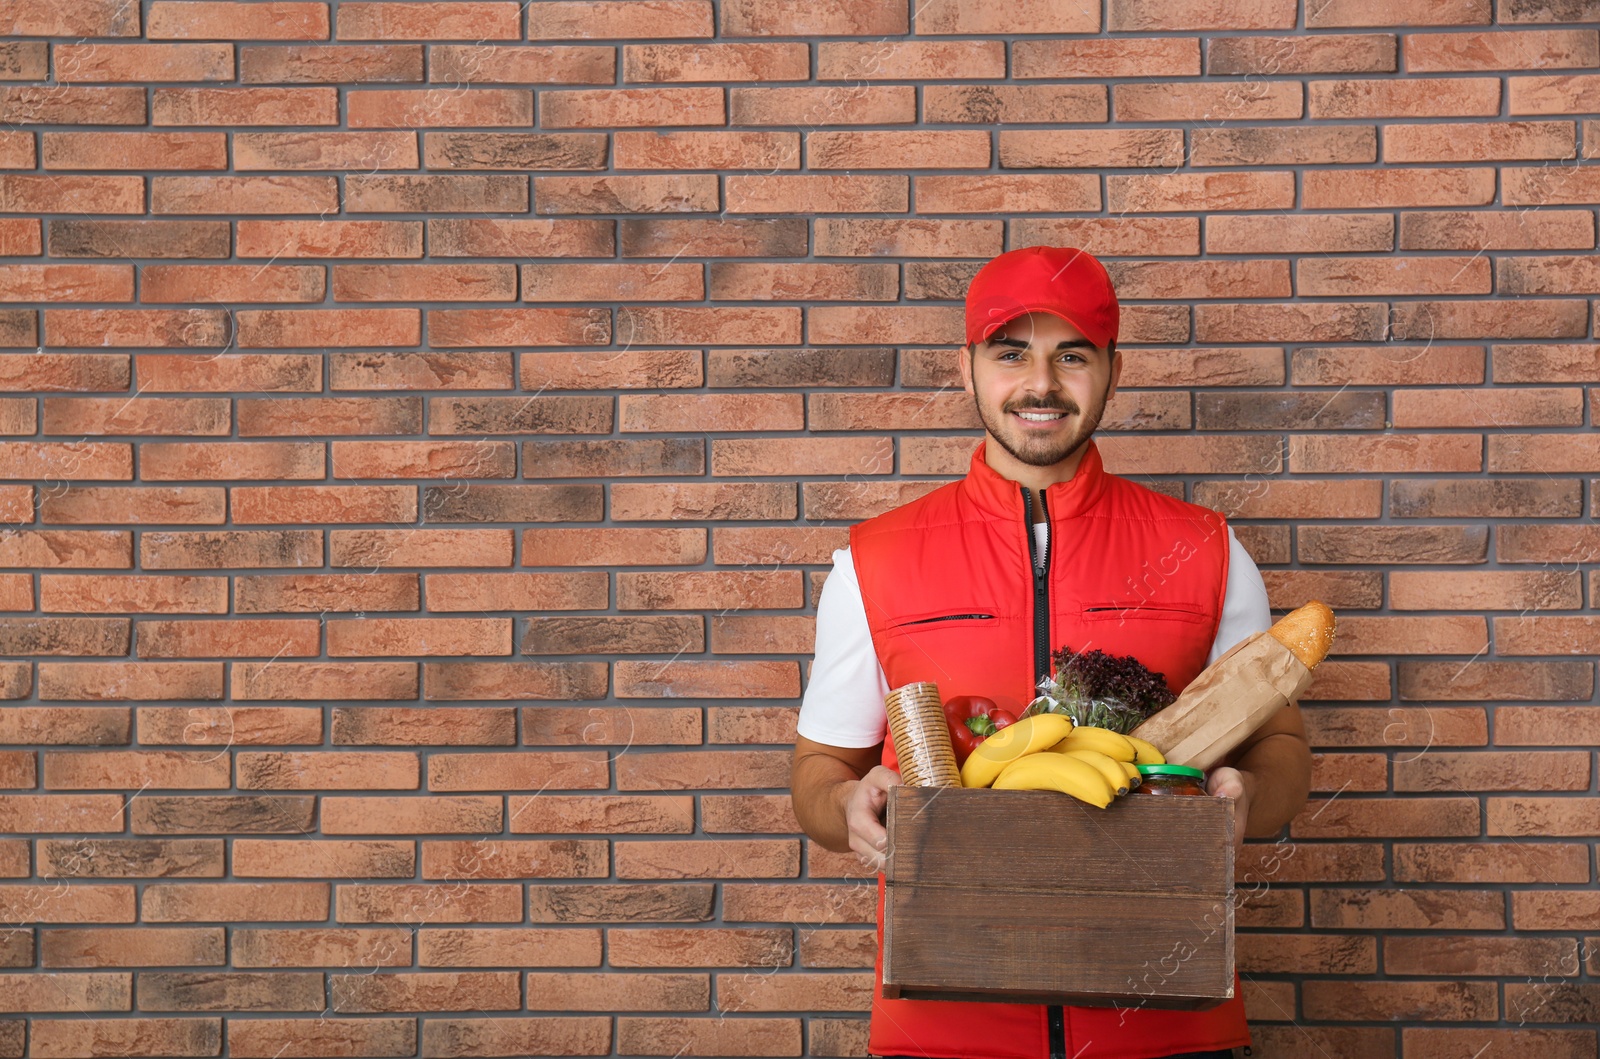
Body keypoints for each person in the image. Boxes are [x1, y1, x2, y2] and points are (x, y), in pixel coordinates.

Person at [789, 245, 1313, 1059]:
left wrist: (1250, 802)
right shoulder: (874, 562)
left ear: (1112, 369)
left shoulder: (1208, 549)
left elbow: (1280, 749)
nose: (1041, 384)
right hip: (942, 1028)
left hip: (1166, 1028)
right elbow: (819, 768)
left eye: (1072, 355)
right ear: (966, 370)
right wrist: (848, 810)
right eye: (1011, 354)